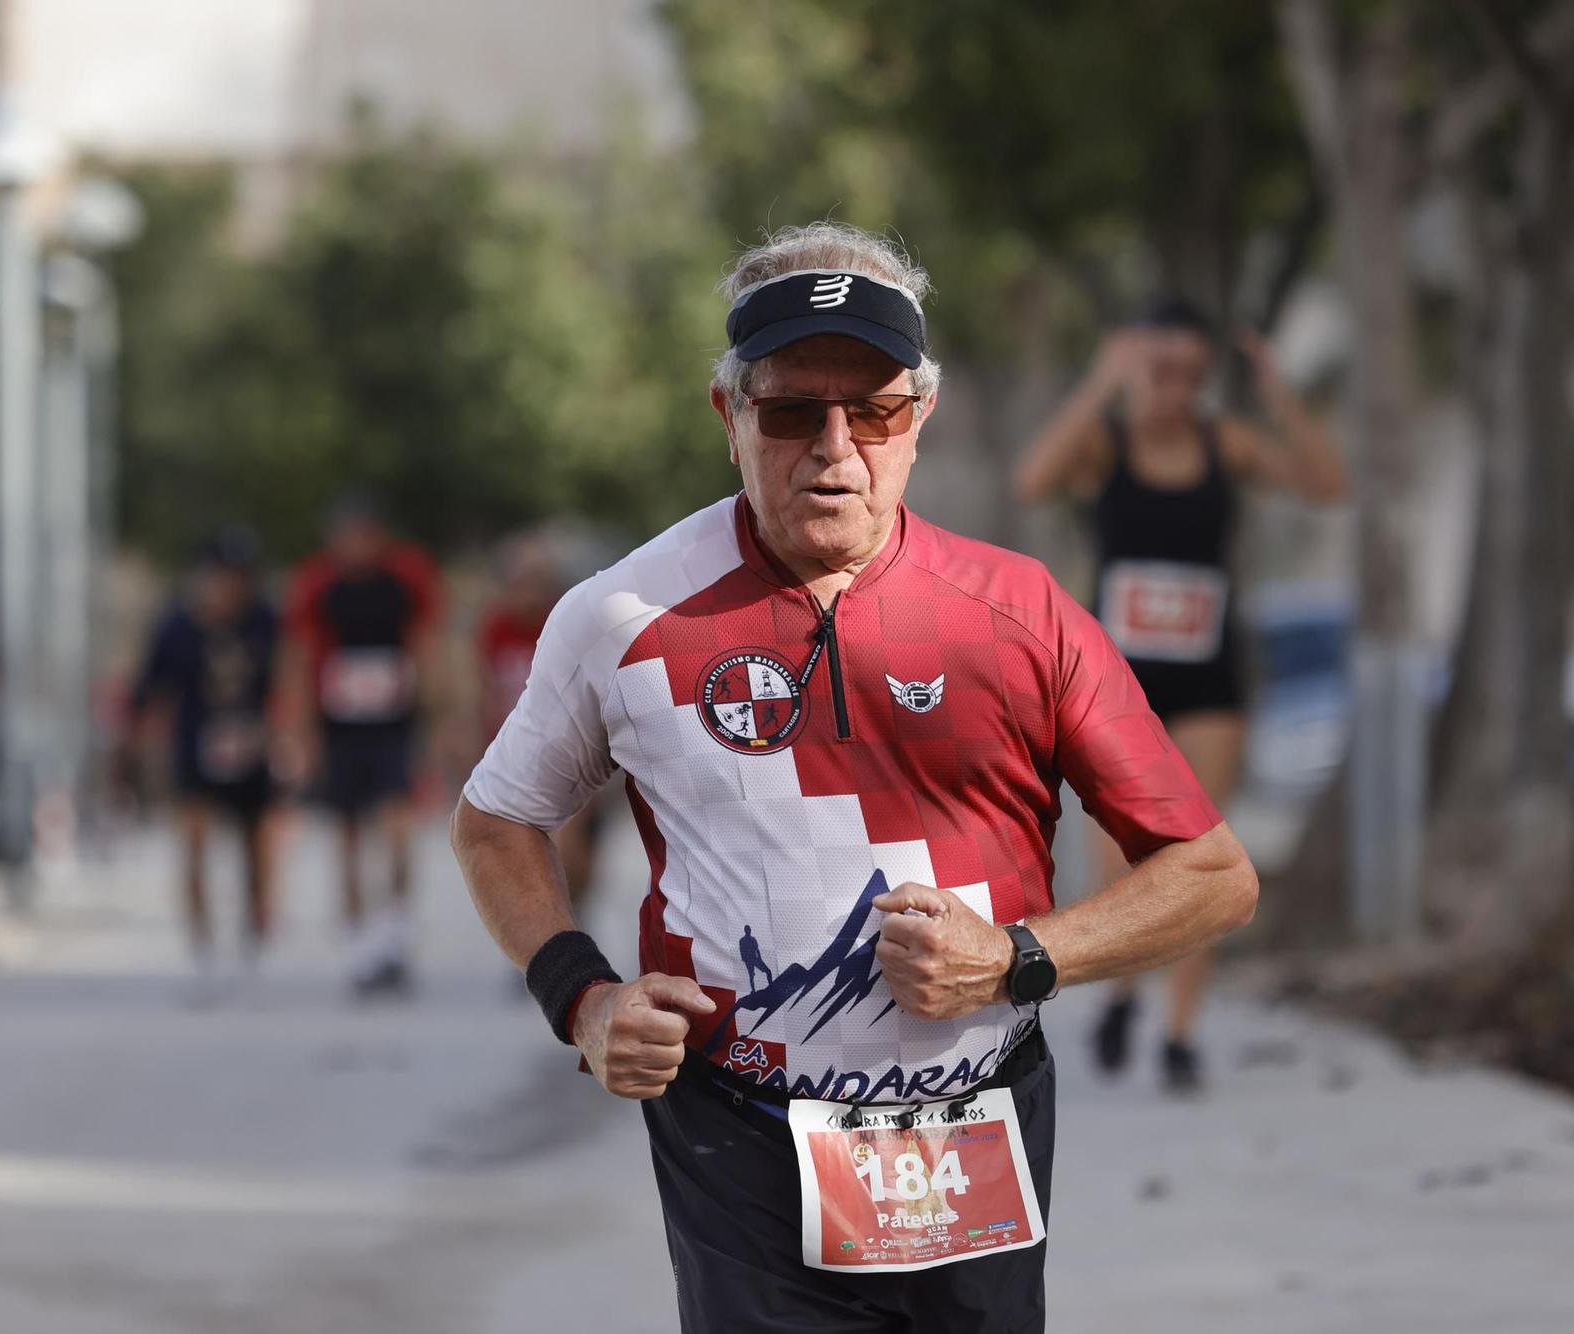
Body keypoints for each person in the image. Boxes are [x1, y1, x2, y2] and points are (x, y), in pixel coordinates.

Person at [451, 222, 1258, 1334]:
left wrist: (1019, 958)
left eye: (871, 410)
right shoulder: (619, 617)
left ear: (916, 419)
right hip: (735, 1126)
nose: (834, 447)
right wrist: (584, 998)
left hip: (971, 1123)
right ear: (726, 415)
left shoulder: (1016, 611)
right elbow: (496, 821)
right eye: (790, 411)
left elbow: (1212, 874)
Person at [1013, 299, 1345, 1092]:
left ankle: (1182, 1033)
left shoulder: (1221, 442)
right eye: (1159, 370)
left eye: (1192, 374)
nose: (1175, 389)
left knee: (1199, 858)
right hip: (1113, 684)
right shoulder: (1107, 443)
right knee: (1122, 866)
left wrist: (1277, 393)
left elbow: (1328, 486)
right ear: (1134, 367)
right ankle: (1125, 991)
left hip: (1209, 684)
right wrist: (1102, 382)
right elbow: (1032, 481)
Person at [282, 499, 442, 997]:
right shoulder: (317, 584)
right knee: (347, 838)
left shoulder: (405, 579)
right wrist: (302, 733)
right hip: (341, 729)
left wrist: (435, 719)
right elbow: (300, 658)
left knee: (397, 833)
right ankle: (358, 945)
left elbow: (428, 645)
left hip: (392, 726)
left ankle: (394, 936)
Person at [126, 528, 282, 1000]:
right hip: (196, 747)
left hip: (253, 748)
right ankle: (203, 949)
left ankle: (253, 943)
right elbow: (149, 692)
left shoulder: (266, 622)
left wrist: (283, 735)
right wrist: (140, 753)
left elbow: (288, 678)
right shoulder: (177, 626)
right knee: (193, 845)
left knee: (255, 849)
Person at [472, 533, 609, 923]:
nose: (528, 594)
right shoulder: (495, 627)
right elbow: (479, 687)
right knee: (523, 844)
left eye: (537, 582)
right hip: (517, 750)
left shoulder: (565, 621)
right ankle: (543, 929)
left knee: (578, 852)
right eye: (520, 583)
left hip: (574, 751)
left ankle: (573, 911)